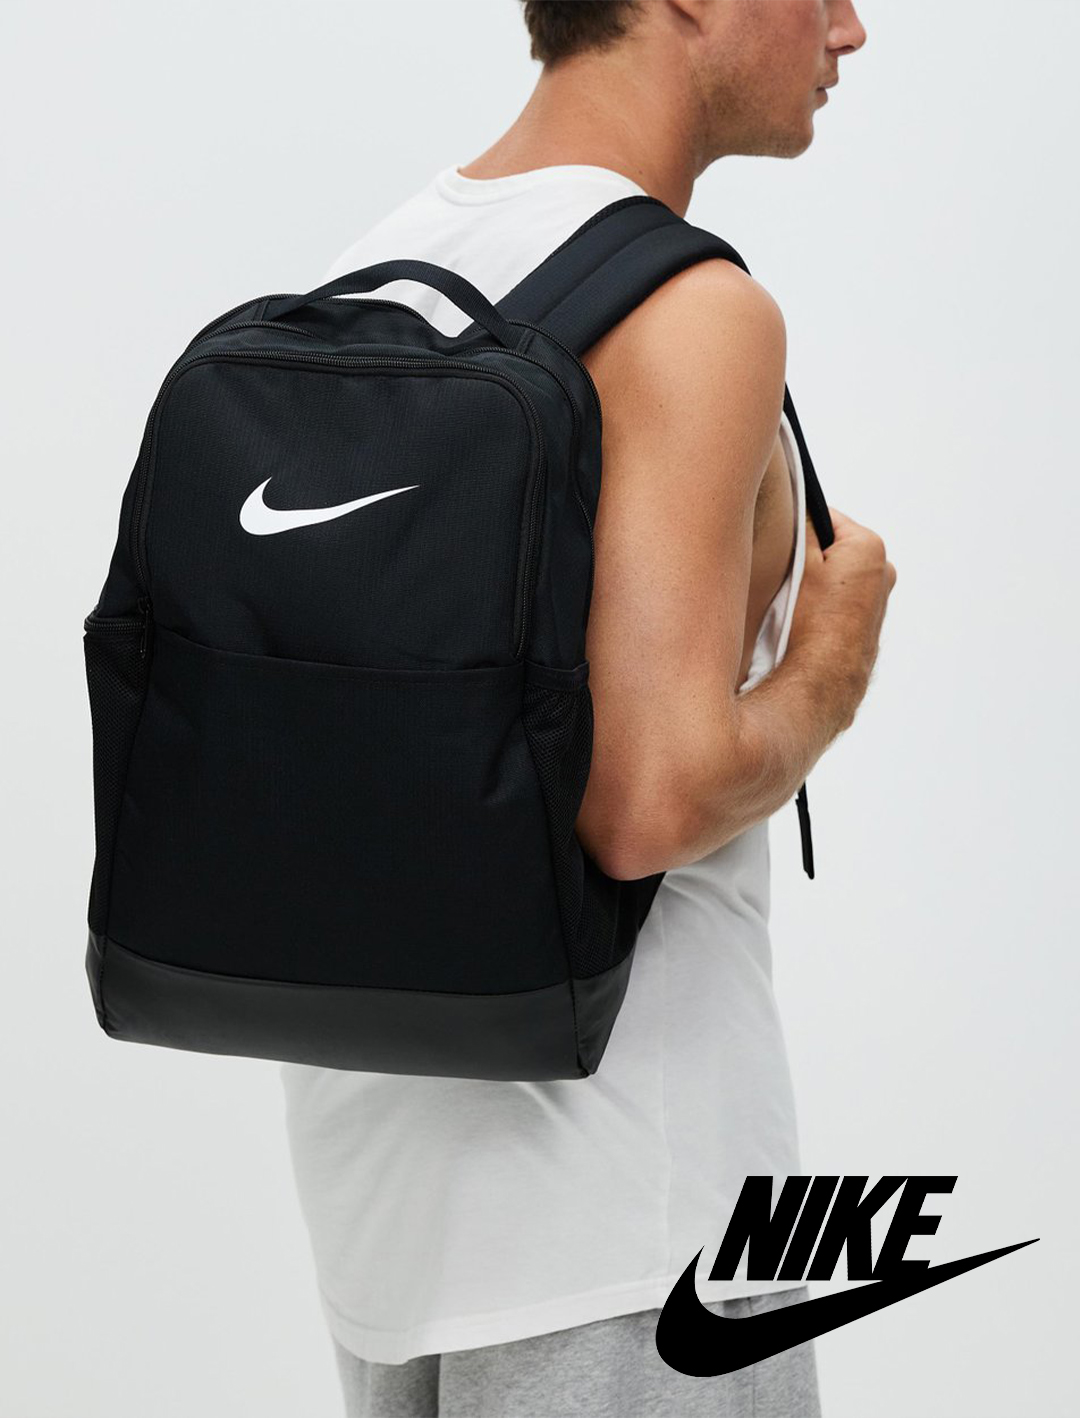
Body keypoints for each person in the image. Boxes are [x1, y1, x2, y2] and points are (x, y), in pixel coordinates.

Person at [280, 2, 894, 1414]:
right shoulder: (692, 311)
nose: (852, 28)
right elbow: (648, 803)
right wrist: (831, 663)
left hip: (387, 1225)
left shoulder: (371, 279)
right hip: (636, 1234)